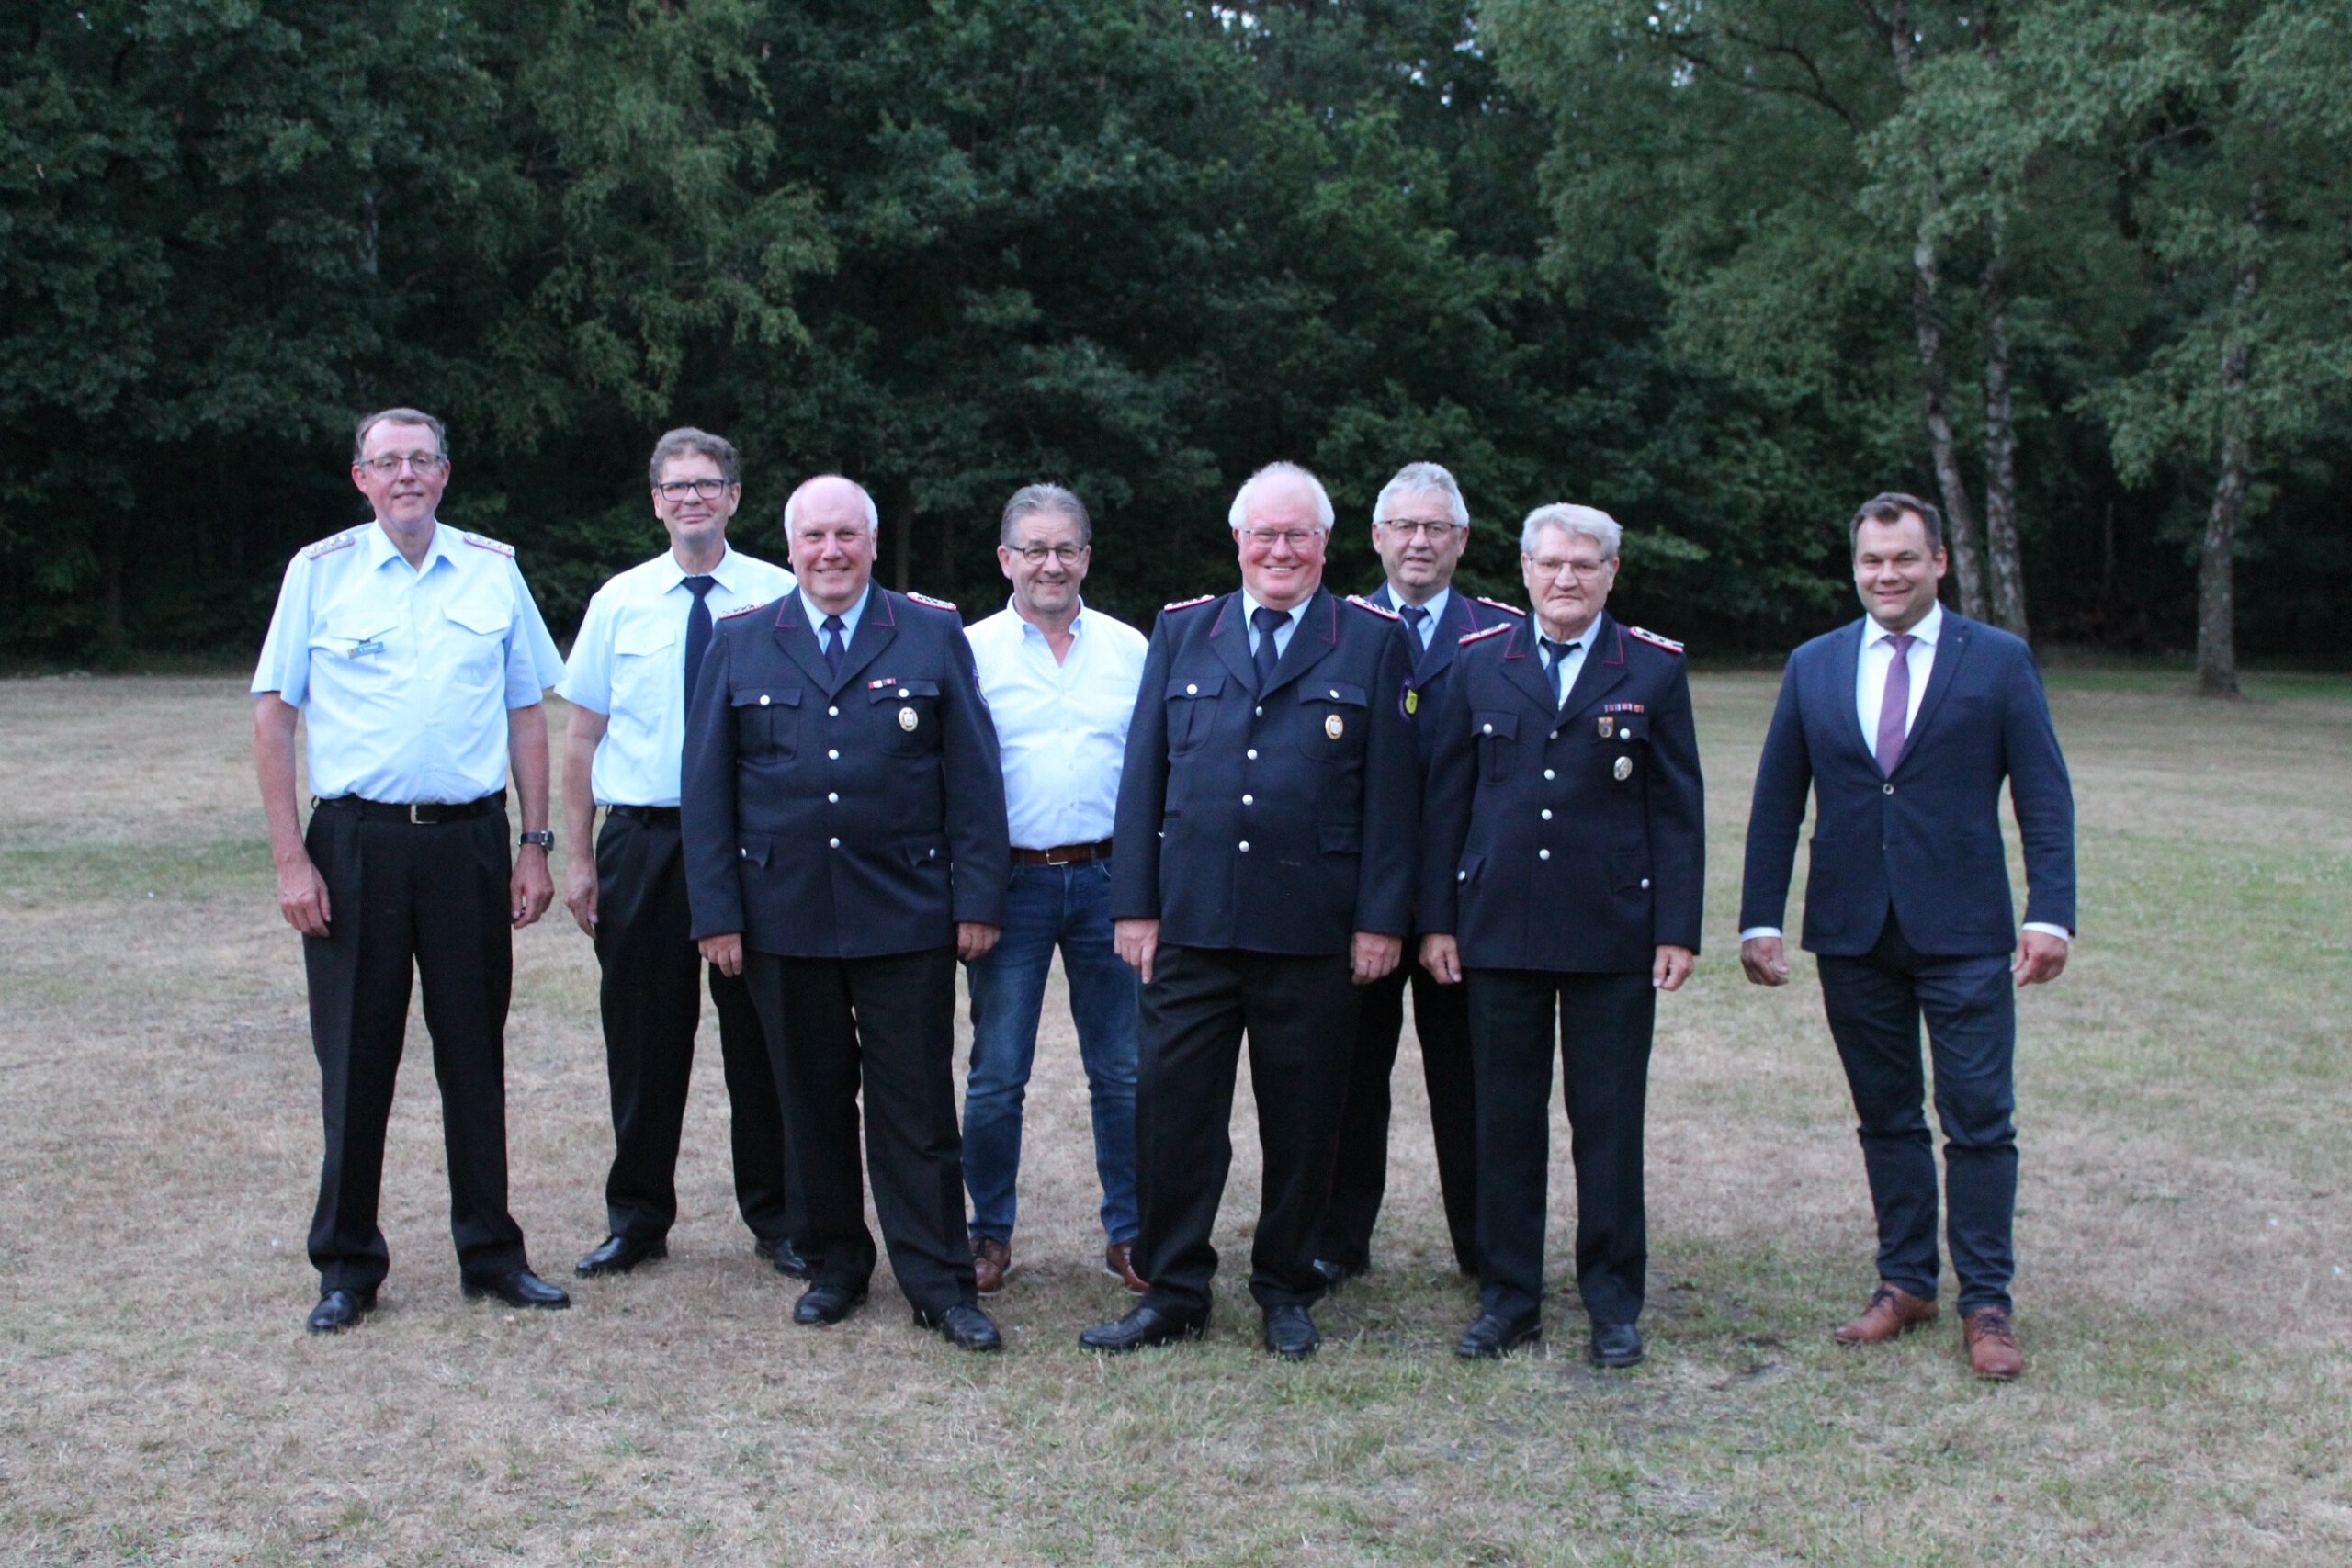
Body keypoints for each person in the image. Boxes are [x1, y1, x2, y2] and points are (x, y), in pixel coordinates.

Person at [1080, 461, 1420, 1361]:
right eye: (1264, 534)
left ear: (1324, 545)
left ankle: (1284, 1285)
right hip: (1190, 927)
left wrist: (1381, 921)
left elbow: (1393, 798)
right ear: (1238, 542)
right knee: (1174, 1116)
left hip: (1311, 931)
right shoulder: (1184, 631)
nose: (1280, 550)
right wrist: (1135, 906)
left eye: (1297, 535)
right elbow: (1143, 775)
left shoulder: (1371, 641)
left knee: (1304, 1122)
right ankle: (1174, 1289)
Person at [1738, 492, 2075, 1381]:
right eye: (1870, 562)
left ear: (1939, 563)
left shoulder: (1997, 661)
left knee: (1977, 1117)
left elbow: (2043, 793)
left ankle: (1988, 1301)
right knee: (1886, 1115)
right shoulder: (1815, 664)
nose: (1885, 576)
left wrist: (2051, 912)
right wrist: (1761, 916)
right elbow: (1778, 799)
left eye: (1902, 559)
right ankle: (1906, 1281)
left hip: (1965, 930)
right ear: (1855, 568)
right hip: (1853, 930)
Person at [252, 407, 571, 1334]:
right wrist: (290, 860)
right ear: (360, 478)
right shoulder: (320, 574)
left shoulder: (493, 570)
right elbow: (275, 720)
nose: (404, 476)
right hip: (354, 849)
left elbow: (525, 714)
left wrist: (534, 842)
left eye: (420, 461)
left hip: (470, 844)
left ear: (443, 474)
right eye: (386, 462)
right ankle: (348, 1266)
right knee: (356, 1061)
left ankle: (492, 1255)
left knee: (475, 1055)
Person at [681, 474, 1011, 1353]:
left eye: (847, 536)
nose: (831, 552)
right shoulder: (743, 638)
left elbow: (975, 782)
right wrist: (717, 913)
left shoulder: (930, 631)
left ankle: (939, 1283)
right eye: (815, 537)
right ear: (789, 548)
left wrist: (976, 900)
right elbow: (706, 790)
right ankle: (834, 1265)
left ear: (870, 544)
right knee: (810, 1101)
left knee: (916, 1109)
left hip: (905, 914)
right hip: (782, 916)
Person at [1419, 503, 1704, 1368]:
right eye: (1551, 564)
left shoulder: (1650, 669)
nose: (1566, 578)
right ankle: (1509, 1300)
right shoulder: (1480, 664)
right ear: (1526, 570)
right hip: (1497, 929)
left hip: (1611, 932)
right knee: (1502, 1124)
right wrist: (1436, 918)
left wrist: (1676, 928)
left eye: (1585, 564)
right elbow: (1445, 802)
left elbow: (1678, 810)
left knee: (1607, 1124)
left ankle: (1613, 1303)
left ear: (1612, 572)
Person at [557, 428, 801, 1282]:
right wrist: (579, 858)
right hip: (646, 842)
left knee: (763, 1041)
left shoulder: (779, 593)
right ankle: (637, 1218)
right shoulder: (619, 601)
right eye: (676, 485)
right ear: (655, 499)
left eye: (708, 483)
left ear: (735, 495)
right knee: (644, 1038)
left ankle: (779, 1217)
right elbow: (582, 736)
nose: (692, 497)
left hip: (751, 846)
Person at [1317, 460, 1521, 1287]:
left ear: (1463, 540)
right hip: (1356, 896)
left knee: (1469, 1083)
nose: (1419, 541)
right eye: (1403, 525)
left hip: (1464, 903)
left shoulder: (1501, 633)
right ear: (1376, 537)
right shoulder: (1334, 626)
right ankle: (1337, 1236)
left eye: (1437, 527)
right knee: (1347, 1078)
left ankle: (1483, 1241)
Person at [960, 485, 1152, 1297]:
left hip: (1112, 881)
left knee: (1126, 1070)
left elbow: (1154, 775)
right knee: (999, 1073)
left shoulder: (1132, 649)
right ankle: (987, 1234)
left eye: (1065, 548)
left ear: (1087, 557)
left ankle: (1134, 1231)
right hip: (1012, 883)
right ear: (1005, 559)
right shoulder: (966, 650)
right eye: (1033, 548)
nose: (1050, 563)